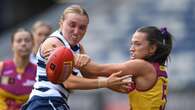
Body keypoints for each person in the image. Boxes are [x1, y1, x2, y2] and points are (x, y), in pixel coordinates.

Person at [22, 5, 130, 110]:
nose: (76, 31)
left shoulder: (77, 47)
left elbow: (91, 77)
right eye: (72, 25)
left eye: (82, 27)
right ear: (61, 23)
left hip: (50, 101)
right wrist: (106, 83)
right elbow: (68, 82)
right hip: (46, 101)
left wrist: (109, 82)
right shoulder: (54, 43)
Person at [80, 26, 173, 110]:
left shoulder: (141, 66)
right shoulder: (158, 69)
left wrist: (73, 52)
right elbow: (92, 75)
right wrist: (105, 82)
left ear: (152, 48)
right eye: (131, 44)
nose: (131, 48)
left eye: (137, 44)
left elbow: (96, 70)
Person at [0, 28, 36, 110]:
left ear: (33, 44)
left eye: (27, 40)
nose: (23, 44)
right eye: (19, 41)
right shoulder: (2, 68)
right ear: (12, 45)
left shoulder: (38, 72)